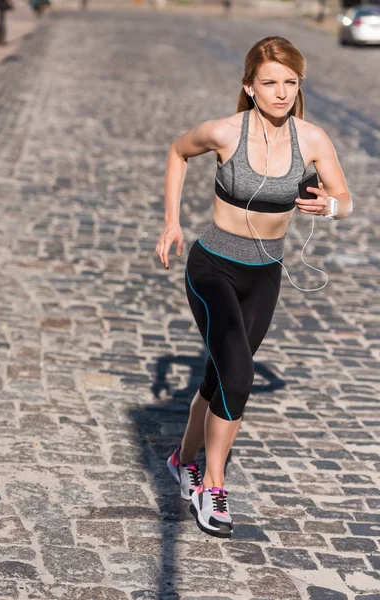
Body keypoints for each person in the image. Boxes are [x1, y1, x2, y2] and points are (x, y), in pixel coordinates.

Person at [155, 36, 352, 538]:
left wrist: (328, 207)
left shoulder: (312, 140)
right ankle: (212, 486)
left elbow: (345, 197)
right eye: (270, 83)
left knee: (219, 379)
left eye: (290, 82)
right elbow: (178, 152)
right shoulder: (224, 132)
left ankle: (184, 460)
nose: (282, 92)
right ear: (250, 86)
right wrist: (172, 223)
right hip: (213, 268)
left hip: (265, 274)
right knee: (239, 376)